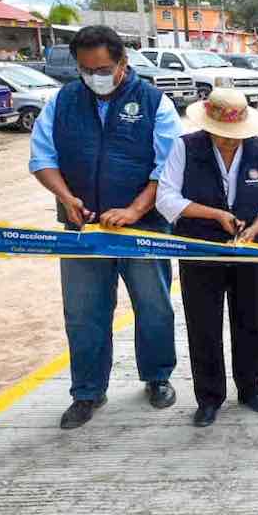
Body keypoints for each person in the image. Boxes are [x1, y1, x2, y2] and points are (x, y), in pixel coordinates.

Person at [29, 25, 183, 430]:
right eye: (85, 69)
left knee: (153, 306)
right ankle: (87, 391)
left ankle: (157, 376)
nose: (94, 76)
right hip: (83, 229)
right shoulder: (62, 102)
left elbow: (165, 168)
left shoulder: (153, 102)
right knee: (83, 312)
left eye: (102, 68)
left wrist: (135, 210)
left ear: (122, 63)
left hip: (144, 229)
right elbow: (42, 157)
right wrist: (66, 198)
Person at [156, 89, 258, 427]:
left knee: (252, 319)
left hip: (249, 248)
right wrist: (213, 214)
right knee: (204, 324)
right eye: (222, 136)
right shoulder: (185, 147)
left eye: (234, 137)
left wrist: (256, 227)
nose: (229, 142)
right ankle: (209, 398)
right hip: (199, 250)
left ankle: (251, 387)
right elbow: (166, 198)